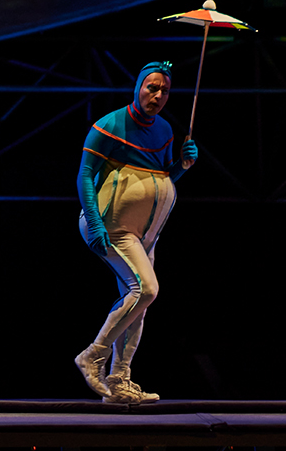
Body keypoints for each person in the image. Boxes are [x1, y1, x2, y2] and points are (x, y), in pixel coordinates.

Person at [72, 62, 198, 404]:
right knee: (146, 289)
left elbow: (161, 179)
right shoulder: (110, 124)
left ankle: (119, 381)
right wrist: (95, 221)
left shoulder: (166, 131)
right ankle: (93, 355)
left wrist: (181, 166)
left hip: (147, 231)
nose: (157, 96)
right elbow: (85, 174)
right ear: (138, 87)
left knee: (139, 303)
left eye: (164, 91)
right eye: (151, 87)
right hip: (113, 224)